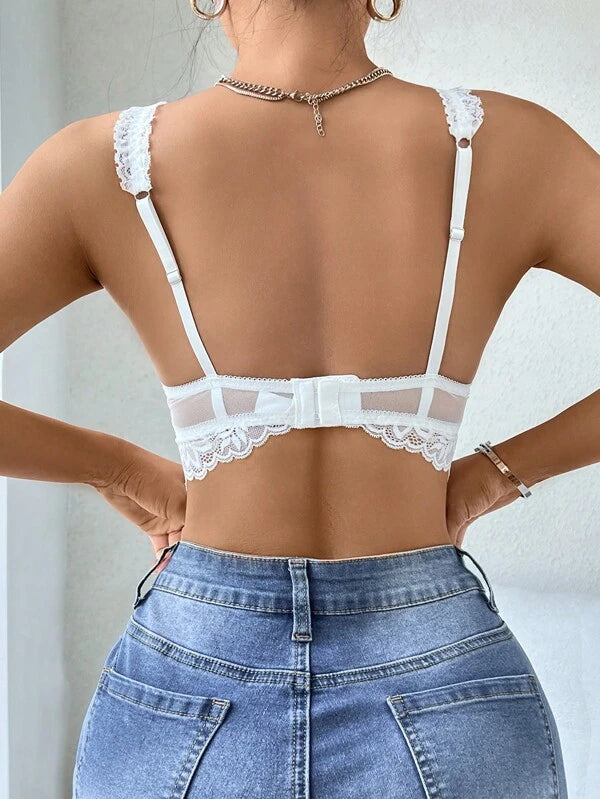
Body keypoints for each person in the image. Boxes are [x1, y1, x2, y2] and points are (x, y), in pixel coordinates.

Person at [0, 0, 597, 796]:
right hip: (446, 688)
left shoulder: (101, 166)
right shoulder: (511, 146)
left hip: (189, 689)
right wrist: (494, 474)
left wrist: (120, 470)